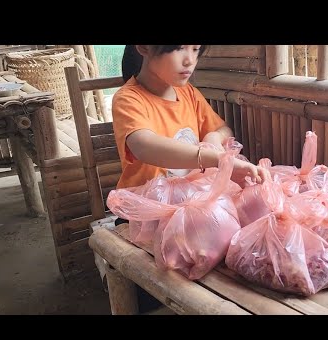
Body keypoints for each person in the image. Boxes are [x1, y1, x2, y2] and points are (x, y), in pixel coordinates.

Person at [112, 45, 270, 312]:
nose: (190, 60)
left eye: (196, 48)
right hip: (145, 216)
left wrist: (212, 138)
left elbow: (222, 127)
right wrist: (216, 160)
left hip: (190, 211)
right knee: (156, 293)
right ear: (145, 48)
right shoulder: (129, 99)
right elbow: (144, 145)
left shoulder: (188, 94)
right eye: (178, 49)